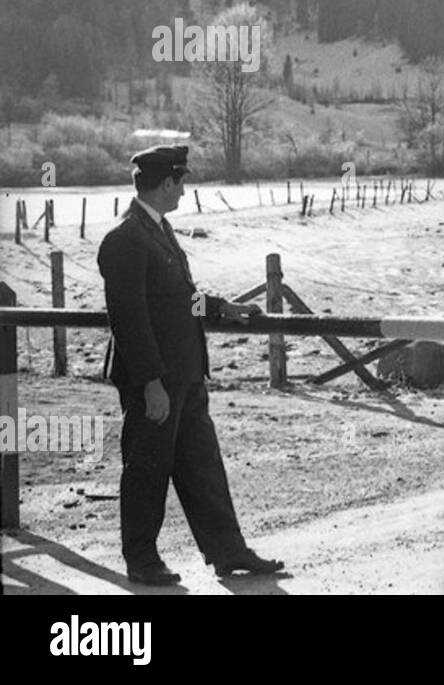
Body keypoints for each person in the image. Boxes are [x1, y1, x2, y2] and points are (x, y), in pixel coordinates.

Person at [97, 145, 284, 585]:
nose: (184, 190)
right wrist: (149, 382)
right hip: (157, 380)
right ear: (167, 183)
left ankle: (228, 551)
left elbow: (181, 300)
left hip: (185, 374)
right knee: (147, 468)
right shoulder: (125, 239)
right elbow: (128, 317)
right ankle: (141, 560)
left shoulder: (157, 230)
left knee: (202, 465)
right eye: (181, 182)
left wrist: (222, 307)